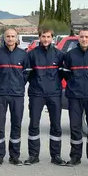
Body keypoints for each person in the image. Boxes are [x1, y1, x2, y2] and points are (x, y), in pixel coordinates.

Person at [60, 28, 88, 167]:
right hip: (74, 96)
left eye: (86, 37)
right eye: (81, 37)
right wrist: (75, 85)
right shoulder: (70, 55)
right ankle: (75, 157)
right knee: (75, 127)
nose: (84, 39)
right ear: (78, 38)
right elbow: (66, 74)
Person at [0, 28, 29, 166]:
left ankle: (14, 156)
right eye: (8, 36)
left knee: (16, 125)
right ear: (4, 38)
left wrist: (18, 85)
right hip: (0, 94)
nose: (10, 39)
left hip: (17, 95)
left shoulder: (23, 54)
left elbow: (26, 74)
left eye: (13, 36)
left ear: (17, 38)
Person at [26, 27, 65, 166]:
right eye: (43, 36)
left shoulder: (59, 55)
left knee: (56, 125)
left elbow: (62, 74)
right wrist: (37, 85)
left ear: (52, 38)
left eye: (48, 37)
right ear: (39, 37)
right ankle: (33, 155)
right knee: (34, 125)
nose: (46, 39)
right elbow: (28, 75)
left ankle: (56, 156)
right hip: (37, 94)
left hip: (54, 94)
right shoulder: (31, 55)